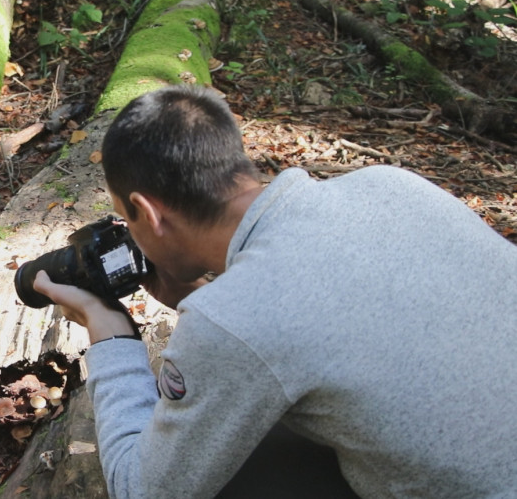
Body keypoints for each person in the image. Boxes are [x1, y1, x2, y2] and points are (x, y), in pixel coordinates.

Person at [31, 84, 517, 498]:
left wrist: (110, 333)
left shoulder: (233, 321)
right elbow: (344, 313)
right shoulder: (391, 184)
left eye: (128, 220)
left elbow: (143, 488)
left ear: (149, 212)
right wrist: (198, 295)